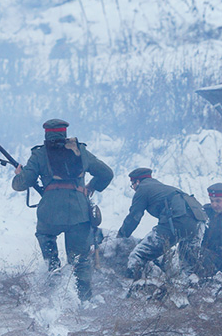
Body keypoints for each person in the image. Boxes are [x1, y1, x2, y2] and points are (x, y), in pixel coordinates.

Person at [13, 119, 113, 301]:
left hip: (49, 214)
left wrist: (19, 175)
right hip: (79, 213)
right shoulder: (80, 151)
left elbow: (21, 184)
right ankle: (83, 301)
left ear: (46, 134)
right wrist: (90, 187)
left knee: (45, 236)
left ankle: (54, 276)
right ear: (65, 133)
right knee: (80, 261)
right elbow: (107, 173)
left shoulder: (40, 154)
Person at [117, 168, 207, 279]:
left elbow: (134, 216)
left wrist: (121, 235)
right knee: (188, 265)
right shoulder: (163, 188)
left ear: (137, 182)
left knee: (139, 254)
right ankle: (194, 290)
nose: (133, 189)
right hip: (199, 221)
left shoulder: (143, 189)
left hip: (178, 220)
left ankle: (129, 284)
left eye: (133, 185)